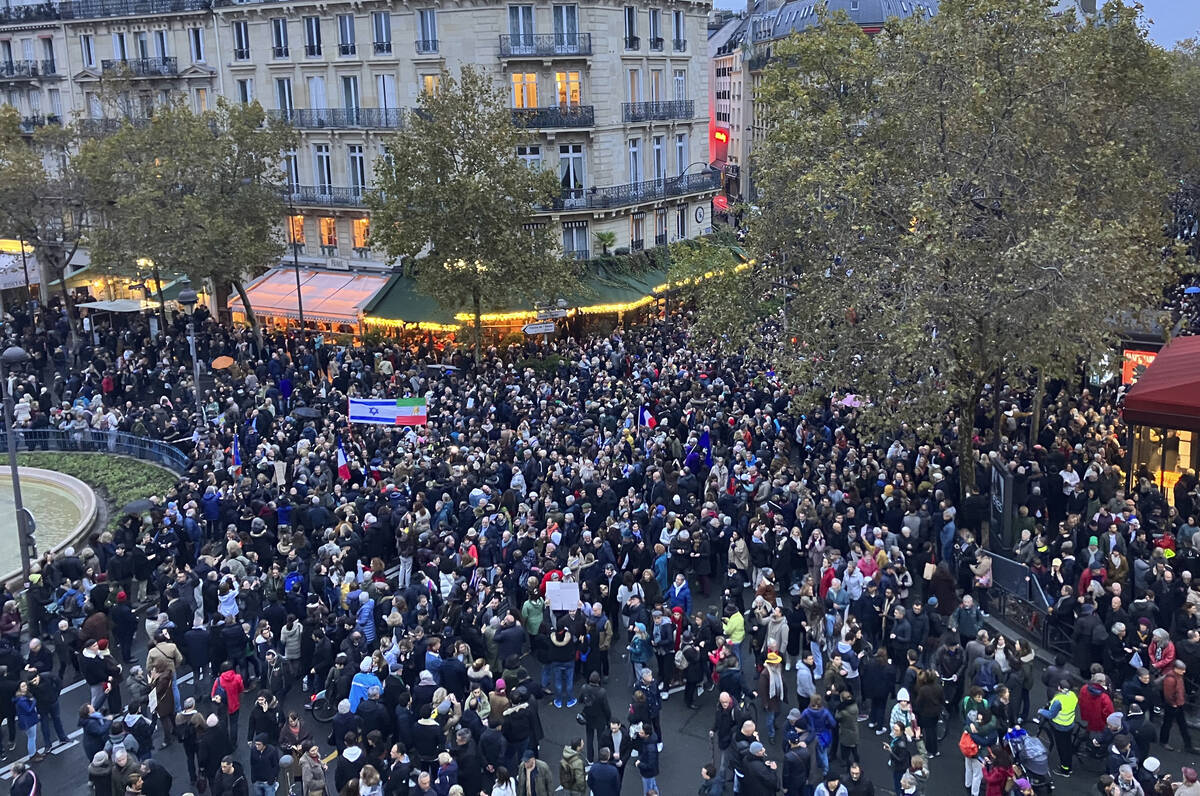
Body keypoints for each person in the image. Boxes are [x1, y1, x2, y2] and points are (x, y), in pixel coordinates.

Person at [1037, 680, 1078, 775]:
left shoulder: (1058, 701)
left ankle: (1065, 769)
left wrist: (1041, 711)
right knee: (1067, 745)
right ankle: (1069, 766)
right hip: (1069, 724)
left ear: (1059, 688)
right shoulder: (1073, 695)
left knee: (1062, 748)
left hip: (1060, 727)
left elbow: (1051, 715)